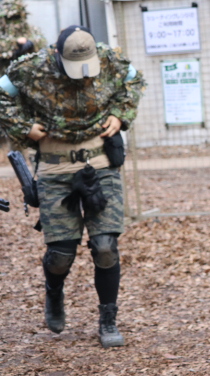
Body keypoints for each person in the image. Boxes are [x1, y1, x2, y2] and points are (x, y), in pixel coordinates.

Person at [0, 25, 145, 348]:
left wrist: (120, 115)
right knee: (60, 254)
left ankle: (108, 320)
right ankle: (54, 292)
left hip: (99, 163)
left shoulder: (110, 59)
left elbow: (135, 81)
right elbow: (1, 93)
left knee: (105, 246)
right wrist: (24, 126)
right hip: (56, 167)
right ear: (56, 55)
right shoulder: (30, 68)